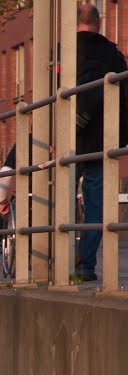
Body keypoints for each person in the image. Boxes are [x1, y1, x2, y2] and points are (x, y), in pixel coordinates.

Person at [74, 3, 128, 281]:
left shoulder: (64, 52)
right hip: (101, 143)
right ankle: (84, 266)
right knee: (95, 204)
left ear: (75, 23)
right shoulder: (113, 55)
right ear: (99, 22)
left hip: (67, 140)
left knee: (55, 194)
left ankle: (54, 257)